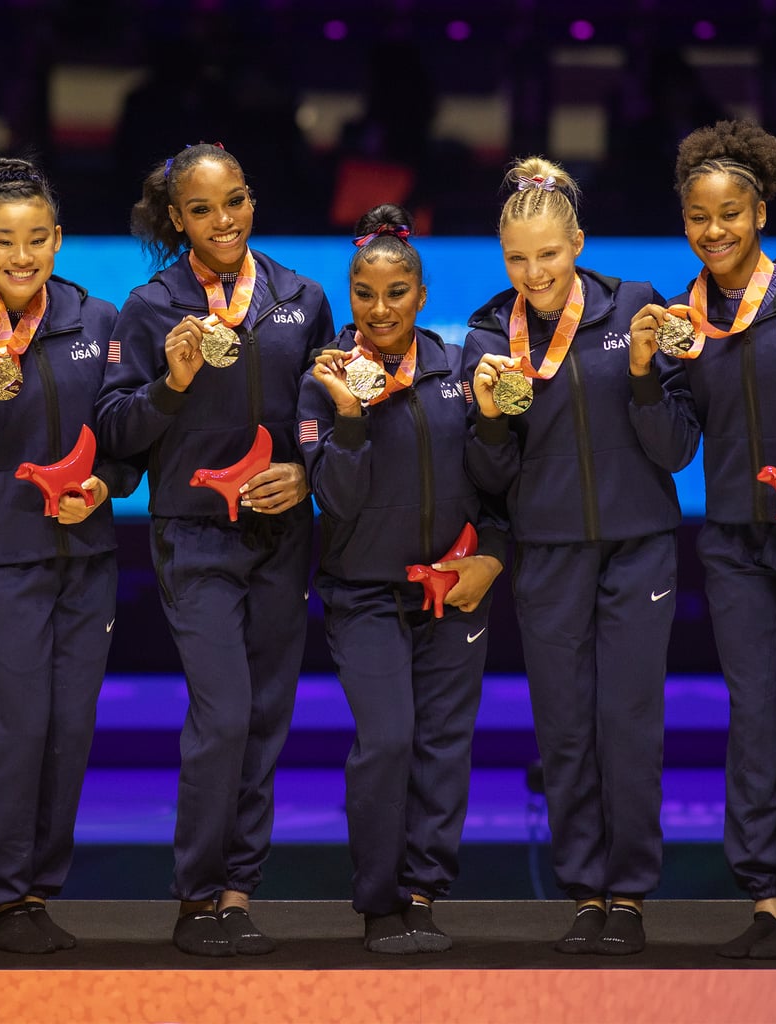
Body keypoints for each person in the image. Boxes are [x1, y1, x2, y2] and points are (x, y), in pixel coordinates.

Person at [95, 142, 333, 957]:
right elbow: (118, 433)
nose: (222, 220)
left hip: (280, 535)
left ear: (251, 199)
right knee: (224, 712)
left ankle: (238, 892)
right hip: (193, 534)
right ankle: (196, 897)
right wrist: (172, 383)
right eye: (202, 209)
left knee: (267, 717)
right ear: (177, 218)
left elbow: (327, 414)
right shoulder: (150, 306)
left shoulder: (301, 297)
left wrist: (305, 475)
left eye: (233, 201)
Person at [464, 157, 694, 955]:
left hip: (640, 548)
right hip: (550, 553)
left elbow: (675, 449)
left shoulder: (637, 307)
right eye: (518, 259)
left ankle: (628, 894)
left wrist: (640, 376)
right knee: (564, 727)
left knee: (629, 720)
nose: (535, 273)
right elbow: (488, 477)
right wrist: (489, 418)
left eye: (550, 255)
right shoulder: (492, 333)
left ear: (579, 244)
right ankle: (585, 893)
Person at [0, 158, 137, 954]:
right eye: (4, 241)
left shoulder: (98, 321)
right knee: (17, 730)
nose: (21, 255)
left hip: (85, 557)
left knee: (69, 730)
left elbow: (124, 442)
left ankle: (40, 888)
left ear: (58, 240)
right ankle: (5, 897)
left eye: (36, 239)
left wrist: (106, 486)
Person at [296, 205, 505, 953]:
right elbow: (339, 500)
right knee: (387, 741)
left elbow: (494, 483)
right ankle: (379, 901)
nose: (378, 309)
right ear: (348, 294)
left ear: (421, 294)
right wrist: (350, 416)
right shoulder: (322, 382)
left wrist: (493, 550)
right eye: (363, 293)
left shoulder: (455, 370)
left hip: (454, 592)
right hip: (364, 593)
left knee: (444, 746)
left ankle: (422, 893)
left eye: (395, 292)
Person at [629, 119, 776, 960]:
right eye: (699, 216)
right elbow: (676, 447)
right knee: (755, 715)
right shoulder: (679, 321)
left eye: (731, 212)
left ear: (761, 210)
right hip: (735, 543)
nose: (715, 230)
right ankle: (766, 895)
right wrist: (644, 379)